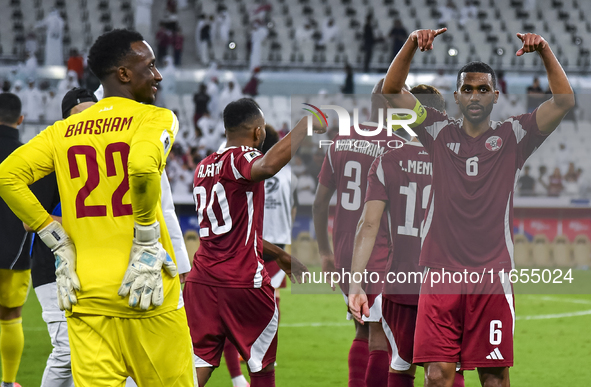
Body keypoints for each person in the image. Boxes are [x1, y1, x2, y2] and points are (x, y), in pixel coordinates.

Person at [0, 29, 196, 386]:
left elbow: (7, 175)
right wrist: (147, 238)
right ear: (123, 74)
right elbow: (139, 166)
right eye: (149, 66)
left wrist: (53, 236)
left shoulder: (63, 130)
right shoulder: (155, 118)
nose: (158, 75)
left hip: (85, 290)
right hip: (146, 287)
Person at [383, 27, 574, 386]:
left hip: (492, 275)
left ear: (496, 96)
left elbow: (563, 100)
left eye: (483, 89)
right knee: (437, 375)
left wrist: (545, 49)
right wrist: (410, 43)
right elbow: (391, 91)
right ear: (456, 96)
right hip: (440, 272)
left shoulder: (513, 136)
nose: (475, 95)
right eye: (468, 88)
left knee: (494, 379)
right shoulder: (437, 131)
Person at [184, 98, 317, 386]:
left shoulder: (204, 166)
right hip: (242, 282)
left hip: (201, 282)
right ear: (258, 134)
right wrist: (307, 123)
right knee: (262, 365)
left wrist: (280, 255)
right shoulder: (242, 156)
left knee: (199, 364)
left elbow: (235, 234)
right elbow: (267, 166)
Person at [348, 85, 465, 387]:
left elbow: (368, 225)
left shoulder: (388, 160)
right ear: (440, 115)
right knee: (450, 369)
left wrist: (356, 281)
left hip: (400, 283)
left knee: (400, 365)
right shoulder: (463, 161)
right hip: (448, 283)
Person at [314, 78, 396, 387]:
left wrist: (325, 253)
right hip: (378, 250)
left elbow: (320, 203)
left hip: (345, 252)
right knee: (382, 335)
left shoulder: (341, 139)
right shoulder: (396, 145)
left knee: (363, 329)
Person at [0, 93, 35, 387]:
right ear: (20, 120)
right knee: (11, 314)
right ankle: (8, 382)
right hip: (15, 254)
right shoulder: (27, 157)